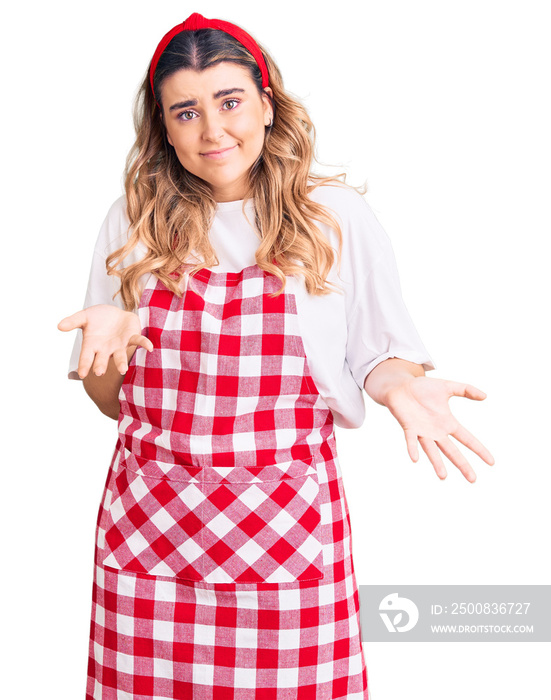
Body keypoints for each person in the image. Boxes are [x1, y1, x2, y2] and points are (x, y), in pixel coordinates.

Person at [58, 12, 494, 699]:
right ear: (163, 128)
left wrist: (401, 387)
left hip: (285, 541)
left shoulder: (334, 216)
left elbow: (378, 355)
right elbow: (110, 401)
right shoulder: (131, 222)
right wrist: (105, 347)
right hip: (152, 537)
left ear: (266, 104)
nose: (212, 131)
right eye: (186, 112)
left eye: (229, 102)